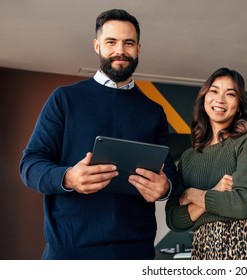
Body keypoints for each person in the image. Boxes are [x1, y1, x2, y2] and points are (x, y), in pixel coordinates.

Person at [19, 9, 176, 260]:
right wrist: (68, 177)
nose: (120, 50)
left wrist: (165, 187)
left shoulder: (153, 111)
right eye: (111, 42)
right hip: (70, 253)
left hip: (135, 253)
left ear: (138, 48)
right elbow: (30, 165)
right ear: (96, 45)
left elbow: (168, 171)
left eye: (128, 43)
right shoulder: (64, 99)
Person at [165, 67, 247, 260]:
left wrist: (191, 194)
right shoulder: (188, 157)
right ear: (204, 98)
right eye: (214, 91)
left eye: (230, 94)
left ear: (239, 105)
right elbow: (175, 219)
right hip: (203, 249)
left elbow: (241, 205)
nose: (220, 99)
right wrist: (216, 191)